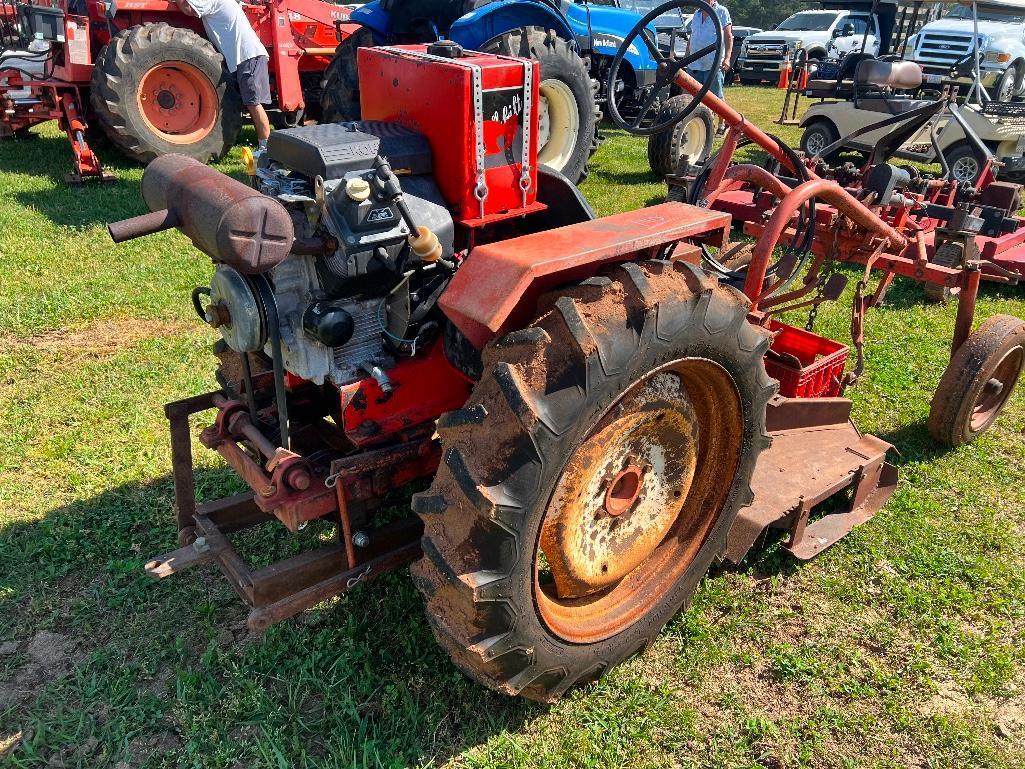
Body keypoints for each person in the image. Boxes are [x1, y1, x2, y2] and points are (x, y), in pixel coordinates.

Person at [175, 0, 272, 149]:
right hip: (245, 56)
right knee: (251, 103)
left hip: (248, 55)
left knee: (253, 103)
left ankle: (266, 148)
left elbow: (188, 8)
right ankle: (265, 146)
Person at [684, 0, 732, 131]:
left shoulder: (722, 12)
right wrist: (685, 58)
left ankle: (722, 124)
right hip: (695, 63)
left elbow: (728, 37)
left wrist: (727, 58)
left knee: (716, 97)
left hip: (713, 63)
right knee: (691, 95)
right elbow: (692, 37)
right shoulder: (696, 14)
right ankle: (693, 123)